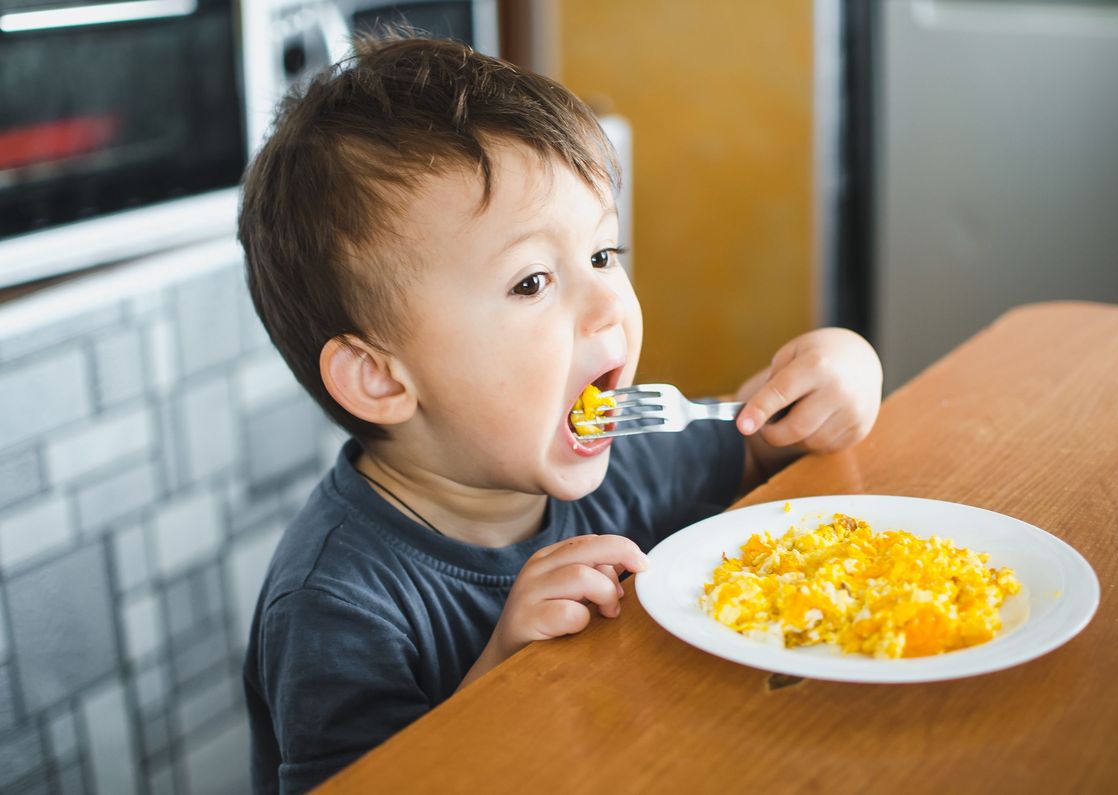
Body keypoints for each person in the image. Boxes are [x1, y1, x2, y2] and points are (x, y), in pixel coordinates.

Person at [238, 34, 883, 794]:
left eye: (605, 254)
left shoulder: (620, 460)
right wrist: (497, 687)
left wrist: (841, 373)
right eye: (534, 281)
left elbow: (766, 444)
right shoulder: (335, 604)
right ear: (380, 378)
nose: (611, 299)